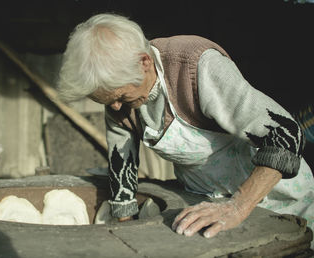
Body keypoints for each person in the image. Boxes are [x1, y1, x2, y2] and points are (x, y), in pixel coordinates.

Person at [57, 13, 314, 240]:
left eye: (121, 97)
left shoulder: (196, 66)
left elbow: (285, 134)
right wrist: (126, 230)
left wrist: (237, 207)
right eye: (107, 100)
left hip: (274, 197)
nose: (115, 108)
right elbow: (122, 166)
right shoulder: (118, 96)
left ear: (144, 62)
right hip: (205, 200)